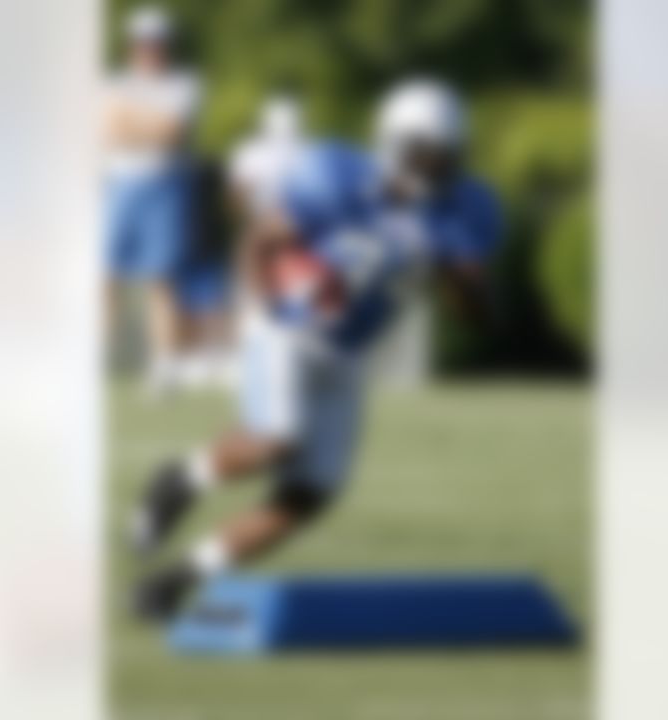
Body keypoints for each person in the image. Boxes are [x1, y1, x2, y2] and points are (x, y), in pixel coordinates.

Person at [129, 78, 501, 621]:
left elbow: (480, 318)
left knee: (310, 495)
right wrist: (254, 310)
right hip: (291, 327)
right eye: (425, 154)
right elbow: (260, 238)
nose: (437, 168)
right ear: (394, 145)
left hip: (349, 353)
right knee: (276, 440)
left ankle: (177, 580)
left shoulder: (464, 210)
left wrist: (462, 281)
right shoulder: (335, 173)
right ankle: (182, 478)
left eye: (447, 157)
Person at [104, 6, 202, 397]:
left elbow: (170, 134)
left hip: (163, 186)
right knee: (104, 275)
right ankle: (102, 356)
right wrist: (142, 125)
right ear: (132, 46)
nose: (149, 50)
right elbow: (107, 129)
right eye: (143, 43)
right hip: (119, 184)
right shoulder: (112, 83)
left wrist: (131, 124)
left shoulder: (183, 84)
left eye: (156, 43)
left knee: (159, 279)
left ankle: (163, 365)